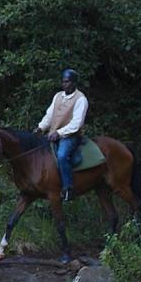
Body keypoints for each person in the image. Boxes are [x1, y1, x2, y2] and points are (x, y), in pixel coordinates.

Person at [36, 68, 89, 203]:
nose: (64, 84)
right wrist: (41, 127)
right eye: (63, 82)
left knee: (62, 155)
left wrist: (59, 133)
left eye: (67, 82)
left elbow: (76, 124)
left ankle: (68, 188)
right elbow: (49, 115)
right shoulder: (58, 96)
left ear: (74, 83)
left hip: (70, 136)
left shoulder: (81, 99)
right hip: (53, 133)